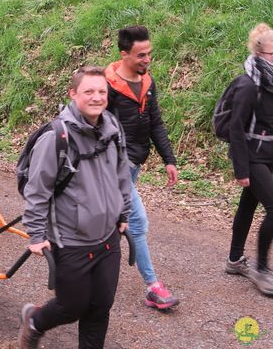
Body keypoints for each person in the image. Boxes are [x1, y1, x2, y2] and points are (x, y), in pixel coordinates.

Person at [18, 66, 131, 349]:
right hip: (70, 239)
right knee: (72, 306)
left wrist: (124, 211)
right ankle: (34, 321)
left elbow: (121, 174)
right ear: (73, 94)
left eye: (101, 91)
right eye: (89, 91)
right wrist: (35, 234)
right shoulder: (57, 137)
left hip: (108, 237)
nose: (96, 97)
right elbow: (37, 189)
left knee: (100, 307)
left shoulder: (112, 128)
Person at [104, 25, 179, 310]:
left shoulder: (147, 82)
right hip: (114, 168)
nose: (147, 59)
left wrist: (169, 159)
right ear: (124, 54)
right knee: (137, 222)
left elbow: (155, 123)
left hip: (134, 164)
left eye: (149, 53)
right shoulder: (107, 86)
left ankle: (89, 268)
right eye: (141, 55)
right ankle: (153, 286)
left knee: (110, 222)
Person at [224, 23, 273, 295]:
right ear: (259, 53)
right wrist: (241, 169)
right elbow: (236, 129)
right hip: (251, 156)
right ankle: (262, 269)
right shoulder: (248, 84)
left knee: (248, 205)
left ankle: (234, 260)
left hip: (269, 154)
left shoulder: (272, 81)